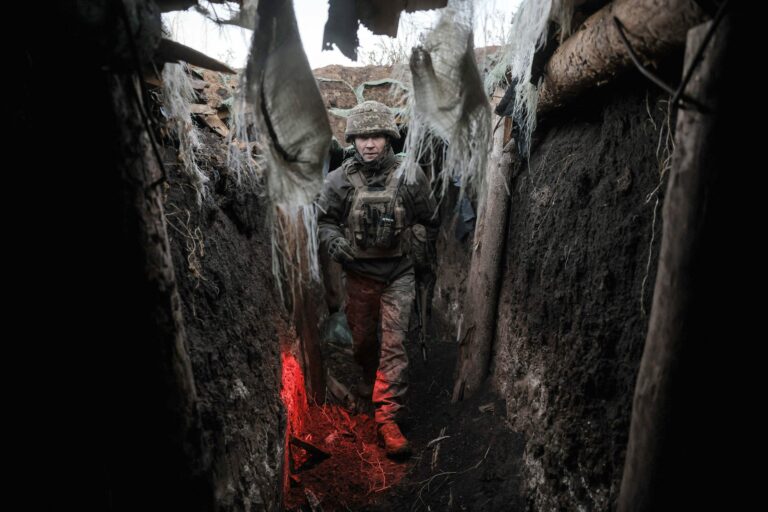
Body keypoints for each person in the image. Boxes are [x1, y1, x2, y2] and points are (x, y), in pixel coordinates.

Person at [317, 101, 438, 458]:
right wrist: (334, 242)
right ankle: (373, 383)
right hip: (359, 275)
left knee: (394, 345)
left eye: (377, 136)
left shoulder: (410, 176)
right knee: (363, 345)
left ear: (388, 138)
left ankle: (388, 417)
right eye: (362, 137)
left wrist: (417, 247)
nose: (369, 144)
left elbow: (430, 219)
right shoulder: (338, 180)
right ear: (353, 140)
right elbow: (324, 221)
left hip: (398, 273)